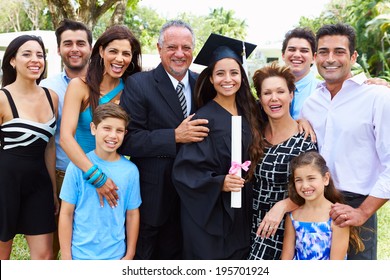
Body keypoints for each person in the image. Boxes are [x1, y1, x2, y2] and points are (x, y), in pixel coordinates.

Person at [119, 20, 209, 259]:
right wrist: (174, 136)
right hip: (153, 198)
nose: (180, 54)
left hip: (193, 197)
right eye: (172, 47)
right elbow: (129, 140)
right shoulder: (139, 84)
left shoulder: (203, 84)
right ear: (159, 49)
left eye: (186, 47)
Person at [300, 23, 390, 260]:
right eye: (323, 52)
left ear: (353, 56)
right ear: (316, 56)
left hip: (357, 205)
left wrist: (362, 212)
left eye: (339, 51)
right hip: (315, 203)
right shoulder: (311, 104)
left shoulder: (377, 97)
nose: (330, 59)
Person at [172, 33, 264, 259]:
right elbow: (184, 172)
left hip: (243, 207)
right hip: (210, 214)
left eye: (234, 73)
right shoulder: (202, 120)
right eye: (220, 73)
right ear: (211, 79)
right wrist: (219, 182)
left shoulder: (251, 113)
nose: (227, 79)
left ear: (241, 77)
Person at [60, 25, 142, 208]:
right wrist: (97, 177)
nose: (120, 59)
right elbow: (66, 138)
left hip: (116, 178)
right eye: (113, 51)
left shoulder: (132, 89)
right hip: (83, 173)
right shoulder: (79, 86)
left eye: (126, 54)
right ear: (101, 51)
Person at [247, 62, 317, 260]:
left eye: (280, 91)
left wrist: (283, 206)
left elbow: (312, 189)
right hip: (249, 224)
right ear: (260, 99)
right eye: (267, 93)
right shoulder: (255, 134)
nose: (274, 98)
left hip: (283, 229)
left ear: (291, 95)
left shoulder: (303, 141)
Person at [0, 35, 58, 259]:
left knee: (44, 256)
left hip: (39, 185)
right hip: (5, 184)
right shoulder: (3, 98)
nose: (35, 60)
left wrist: (52, 190)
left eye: (40, 55)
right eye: (27, 54)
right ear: (13, 60)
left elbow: (50, 146)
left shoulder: (51, 97)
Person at [58, 102, 141, 260]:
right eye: (107, 128)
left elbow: (132, 214)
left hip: (115, 255)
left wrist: (130, 254)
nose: (113, 135)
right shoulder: (76, 167)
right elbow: (66, 213)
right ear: (93, 128)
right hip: (80, 255)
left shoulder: (130, 171)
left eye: (119, 130)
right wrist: (66, 257)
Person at [40, 18, 93, 259]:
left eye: (81, 43)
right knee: (51, 250)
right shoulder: (45, 87)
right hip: (59, 175)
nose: (75, 49)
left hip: (96, 176)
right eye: (67, 43)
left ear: (91, 48)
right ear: (59, 48)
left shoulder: (102, 84)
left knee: (89, 247)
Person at [282, 27, 389, 120]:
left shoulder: (375, 95)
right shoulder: (313, 102)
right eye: (292, 49)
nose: (330, 59)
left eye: (339, 52)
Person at [281, 151, 364, 260]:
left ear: (325, 179)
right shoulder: (293, 216)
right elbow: (286, 257)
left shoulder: (337, 216)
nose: (305, 185)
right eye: (299, 180)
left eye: (311, 178)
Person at [281, 27, 320, 120]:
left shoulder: (322, 91)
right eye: (292, 49)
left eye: (304, 51)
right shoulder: (271, 91)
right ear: (283, 55)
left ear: (314, 58)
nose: (297, 55)